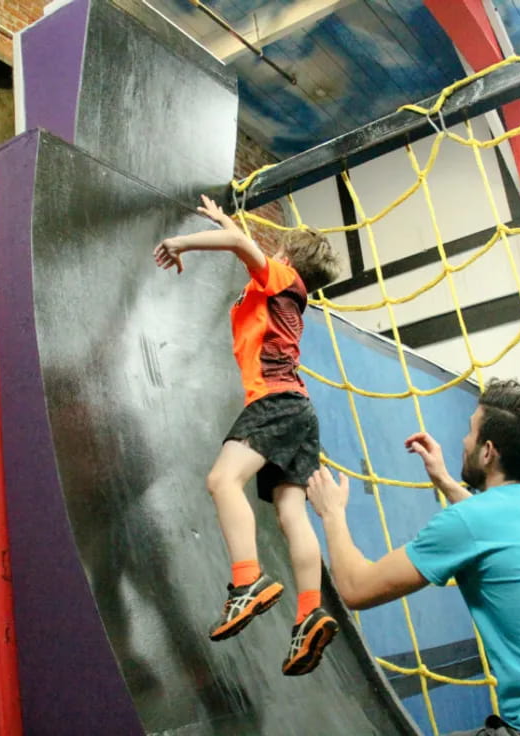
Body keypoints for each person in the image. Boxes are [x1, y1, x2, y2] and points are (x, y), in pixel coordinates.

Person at [307, 379, 520, 735]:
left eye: (470, 432)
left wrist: (332, 513)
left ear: (488, 452)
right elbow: (497, 529)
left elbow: (356, 588)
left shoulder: (470, 523)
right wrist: (446, 481)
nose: (463, 441)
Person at [154, 195, 342, 676]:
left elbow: (240, 245)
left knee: (222, 481)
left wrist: (181, 242)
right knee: (291, 513)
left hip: (274, 402)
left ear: (285, 258)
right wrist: (224, 219)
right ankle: (308, 613)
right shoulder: (288, 290)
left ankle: (247, 582)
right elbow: (240, 238)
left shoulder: (280, 277)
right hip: (300, 410)